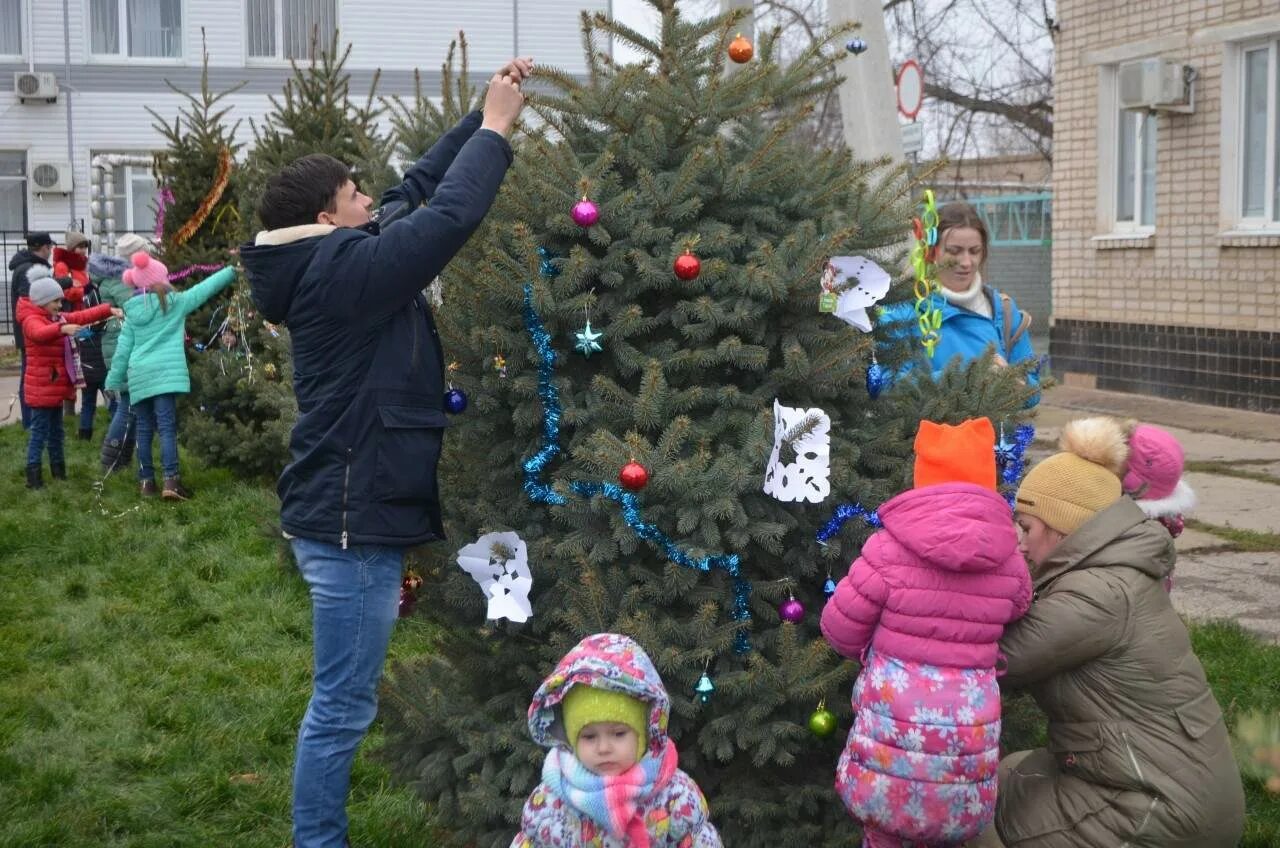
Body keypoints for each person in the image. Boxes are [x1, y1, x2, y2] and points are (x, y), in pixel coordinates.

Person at [239, 57, 530, 848]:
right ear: (329, 218)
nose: (371, 199)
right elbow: (443, 222)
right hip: (349, 523)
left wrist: (477, 117)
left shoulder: (332, 255)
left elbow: (415, 188)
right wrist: (498, 133)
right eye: (353, 194)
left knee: (339, 700)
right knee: (341, 706)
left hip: (347, 511)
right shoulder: (341, 271)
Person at [972, 416, 1245, 847]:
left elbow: (991, 658)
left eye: (1026, 527)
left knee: (968, 818)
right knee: (1009, 773)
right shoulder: (1111, 570)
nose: (1019, 543)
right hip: (1164, 780)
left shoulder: (1098, 594)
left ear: (1061, 527)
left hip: (1157, 806)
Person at [820, 418, 1032, 848]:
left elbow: (839, 627)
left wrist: (870, 651)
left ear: (923, 479)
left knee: (883, 834)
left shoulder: (887, 550)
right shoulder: (1009, 559)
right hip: (966, 735)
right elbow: (1019, 606)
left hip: (893, 728)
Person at [511, 632, 723, 848]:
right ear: (571, 739)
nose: (604, 748)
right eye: (589, 736)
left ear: (645, 733)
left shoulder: (676, 796)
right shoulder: (551, 800)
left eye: (619, 733)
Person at [104, 253, 236, 499]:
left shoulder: (131, 312)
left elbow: (123, 350)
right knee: (166, 427)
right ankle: (171, 482)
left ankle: (146, 483)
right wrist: (232, 271)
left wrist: (113, 380)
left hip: (139, 376)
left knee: (143, 429)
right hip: (165, 377)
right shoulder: (175, 303)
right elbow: (204, 289)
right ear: (160, 280)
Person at [881, 202, 1040, 405]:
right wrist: (968, 377)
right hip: (923, 436)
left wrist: (1012, 381)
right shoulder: (901, 310)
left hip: (990, 436)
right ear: (932, 252)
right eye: (954, 251)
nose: (966, 262)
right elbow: (887, 387)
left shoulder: (1003, 310)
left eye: (974, 251)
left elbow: (1033, 392)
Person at [17, 267, 119, 488]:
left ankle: (58, 472)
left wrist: (109, 309)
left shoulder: (56, 317)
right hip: (41, 389)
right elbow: (39, 333)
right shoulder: (31, 319)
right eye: (56, 301)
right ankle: (33, 478)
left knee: (56, 433)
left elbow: (82, 315)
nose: (60, 306)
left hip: (53, 388)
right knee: (39, 435)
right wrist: (62, 329)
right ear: (42, 301)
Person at [89, 233, 148, 473]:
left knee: (130, 404)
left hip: (117, 341)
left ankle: (120, 460)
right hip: (122, 343)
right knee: (128, 405)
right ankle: (111, 462)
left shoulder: (119, 277)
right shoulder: (124, 280)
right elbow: (136, 308)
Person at [8, 231, 55, 429]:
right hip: (31, 333)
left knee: (31, 376)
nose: (52, 251)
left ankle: (34, 422)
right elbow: (33, 300)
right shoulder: (27, 270)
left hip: (31, 331)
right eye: (50, 247)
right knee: (29, 379)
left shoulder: (27, 267)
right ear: (43, 247)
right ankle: (30, 423)